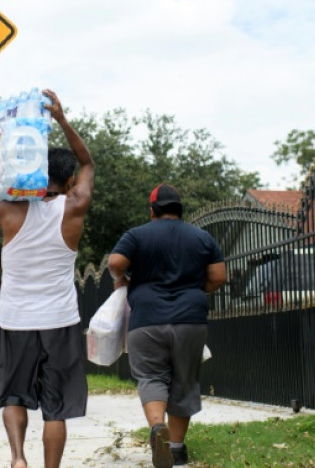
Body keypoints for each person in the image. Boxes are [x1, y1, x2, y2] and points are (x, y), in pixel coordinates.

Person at [0, 88, 95, 468]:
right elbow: (89, 163)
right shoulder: (75, 207)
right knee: (55, 408)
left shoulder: (9, 210)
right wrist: (60, 118)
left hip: (15, 319)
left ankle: (18, 458)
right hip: (59, 321)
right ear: (69, 179)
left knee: (13, 395)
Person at [107, 184, 227, 468]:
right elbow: (219, 277)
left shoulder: (136, 235)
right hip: (190, 320)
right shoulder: (202, 237)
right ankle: (176, 448)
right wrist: (196, 291)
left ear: (152, 211)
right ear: (179, 209)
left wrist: (120, 279)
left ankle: (157, 427)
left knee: (151, 377)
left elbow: (115, 262)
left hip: (147, 320)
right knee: (184, 380)